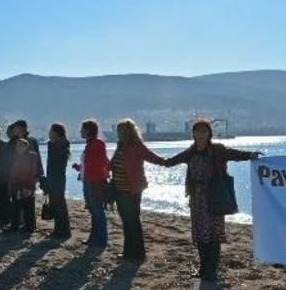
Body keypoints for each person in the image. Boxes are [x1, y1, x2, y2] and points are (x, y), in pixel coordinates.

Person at [163, 118, 261, 281]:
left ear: (209, 134)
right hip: (196, 199)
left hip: (215, 198)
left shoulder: (217, 150)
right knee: (200, 234)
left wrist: (251, 155)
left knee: (214, 235)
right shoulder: (190, 152)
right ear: (193, 134)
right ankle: (203, 268)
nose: (201, 134)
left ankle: (212, 270)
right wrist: (148, 158)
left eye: (204, 131)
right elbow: (169, 162)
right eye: (197, 131)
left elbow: (235, 154)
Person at [109, 119, 166, 262]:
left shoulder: (136, 145)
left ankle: (138, 253)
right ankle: (128, 252)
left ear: (128, 131)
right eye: (118, 131)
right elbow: (113, 164)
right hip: (119, 190)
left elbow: (151, 156)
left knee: (133, 221)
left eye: (121, 131)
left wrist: (166, 162)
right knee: (126, 222)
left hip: (132, 190)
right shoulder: (120, 145)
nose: (118, 133)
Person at [73, 119, 110, 247]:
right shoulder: (89, 144)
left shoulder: (97, 144)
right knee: (93, 211)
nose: (80, 131)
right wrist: (79, 167)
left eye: (82, 129)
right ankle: (94, 238)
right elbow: (90, 163)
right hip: (87, 180)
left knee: (97, 210)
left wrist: (108, 172)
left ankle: (101, 239)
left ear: (88, 130)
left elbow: (103, 161)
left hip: (95, 182)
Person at [42, 123, 71, 239]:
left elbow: (57, 164)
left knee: (59, 205)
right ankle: (59, 229)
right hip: (53, 178)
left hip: (57, 179)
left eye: (51, 130)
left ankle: (63, 231)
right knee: (56, 204)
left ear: (56, 132)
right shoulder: (54, 144)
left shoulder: (61, 145)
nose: (49, 133)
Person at [9, 138, 42, 233]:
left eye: (21, 145)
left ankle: (29, 228)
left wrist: (27, 186)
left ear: (26, 146)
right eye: (17, 146)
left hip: (27, 185)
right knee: (15, 206)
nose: (18, 148)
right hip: (16, 185)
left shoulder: (32, 156)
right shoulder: (15, 156)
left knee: (28, 207)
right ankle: (14, 226)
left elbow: (32, 172)